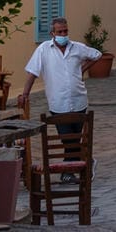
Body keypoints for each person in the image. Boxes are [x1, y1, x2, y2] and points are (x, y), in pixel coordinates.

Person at [19, 17, 100, 179]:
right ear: (52, 33)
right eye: (60, 32)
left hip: (78, 100)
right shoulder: (43, 50)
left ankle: (70, 171)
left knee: (76, 137)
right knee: (66, 139)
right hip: (58, 103)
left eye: (65, 31)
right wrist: (25, 93)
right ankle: (82, 164)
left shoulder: (77, 48)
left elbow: (97, 55)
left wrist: (81, 69)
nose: (63, 34)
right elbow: (32, 72)